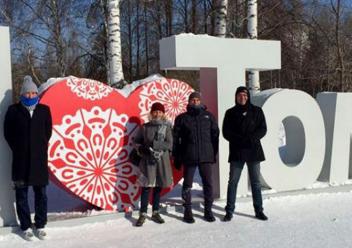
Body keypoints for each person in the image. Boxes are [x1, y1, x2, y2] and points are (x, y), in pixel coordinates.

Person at [4, 76, 52, 240]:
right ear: (22, 94)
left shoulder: (44, 110)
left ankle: (40, 225)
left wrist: (39, 146)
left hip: (39, 161)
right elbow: (7, 133)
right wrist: (19, 148)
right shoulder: (13, 110)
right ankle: (25, 226)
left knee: (41, 195)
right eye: (27, 93)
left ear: (36, 93)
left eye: (33, 92)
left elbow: (48, 132)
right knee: (21, 195)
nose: (30, 96)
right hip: (20, 162)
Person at [222, 86, 268, 222]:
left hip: (254, 150)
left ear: (248, 97)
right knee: (233, 182)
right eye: (240, 95)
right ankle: (229, 211)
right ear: (236, 97)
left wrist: (250, 138)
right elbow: (226, 132)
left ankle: (259, 210)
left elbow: (263, 129)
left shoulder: (257, 111)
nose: (243, 98)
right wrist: (238, 139)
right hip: (237, 151)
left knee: (255, 182)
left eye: (245, 95)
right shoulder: (230, 113)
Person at [173, 91, 220, 223]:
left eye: (197, 100)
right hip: (189, 156)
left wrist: (213, 153)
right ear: (189, 102)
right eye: (192, 100)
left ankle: (208, 211)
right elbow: (176, 139)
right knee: (187, 184)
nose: (195, 102)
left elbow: (215, 136)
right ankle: (187, 211)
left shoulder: (208, 116)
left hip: (206, 156)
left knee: (208, 184)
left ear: (200, 101)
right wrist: (177, 156)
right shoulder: (182, 118)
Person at [133, 102, 173, 227]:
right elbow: (136, 141)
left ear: (163, 114)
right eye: (155, 111)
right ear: (151, 113)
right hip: (147, 161)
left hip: (161, 162)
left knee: (158, 187)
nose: (157, 114)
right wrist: (141, 149)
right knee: (145, 187)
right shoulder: (145, 127)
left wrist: (154, 145)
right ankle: (143, 213)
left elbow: (169, 144)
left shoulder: (166, 127)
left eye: (160, 112)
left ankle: (155, 212)